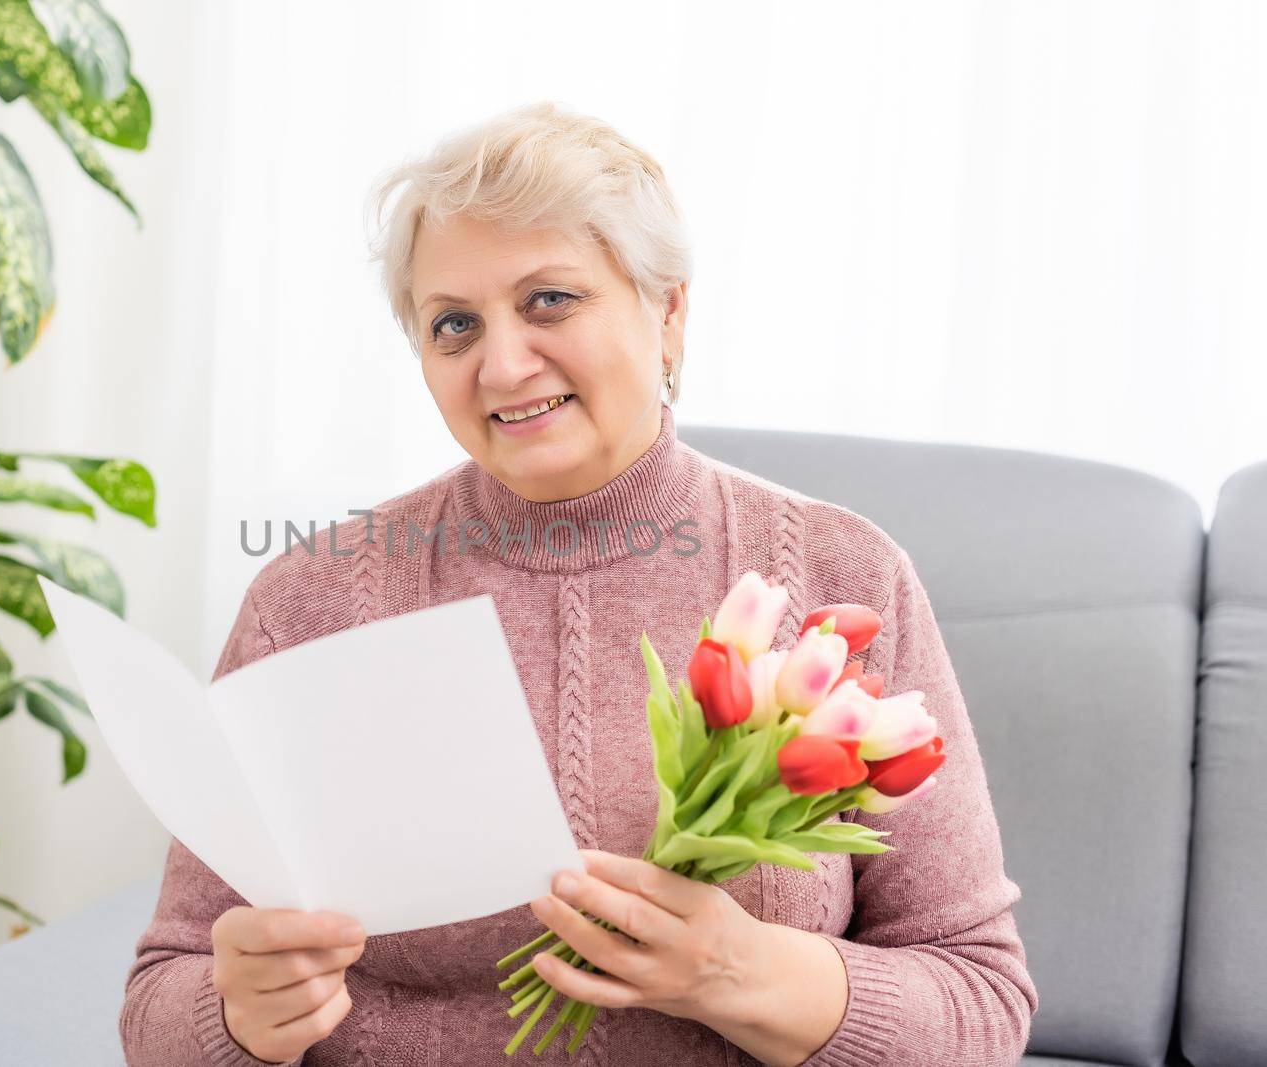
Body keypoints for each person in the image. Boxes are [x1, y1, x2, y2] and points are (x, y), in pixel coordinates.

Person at [120, 100, 1037, 1067]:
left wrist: (734, 971)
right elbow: (160, 1000)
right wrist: (233, 1019)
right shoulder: (311, 599)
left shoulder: (843, 576)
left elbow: (980, 1004)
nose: (504, 363)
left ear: (668, 308)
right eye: (454, 324)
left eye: (551, 299)